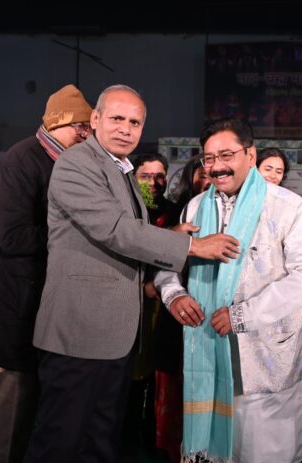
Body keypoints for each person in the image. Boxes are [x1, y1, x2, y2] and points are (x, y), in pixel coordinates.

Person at [24, 84, 241, 463]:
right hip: (79, 333)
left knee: (98, 439)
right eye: (117, 118)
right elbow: (114, 230)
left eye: (135, 122)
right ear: (95, 120)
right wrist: (192, 246)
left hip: (113, 335)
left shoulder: (119, 168)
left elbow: (129, 231)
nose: (126, 129)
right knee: (60, 441)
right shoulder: (76, 164)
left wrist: (171, 236)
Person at [155, 118, 302, 462]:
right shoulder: (196, 207)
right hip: (207, 349)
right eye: (209, 158)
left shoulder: (288, 207)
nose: (216, 166)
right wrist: (173, 295)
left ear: (250, 155)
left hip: (266, 360)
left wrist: (243, 315)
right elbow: (167, 262)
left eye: (226, 155)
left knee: (262, 452)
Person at [0, 84, 92, 463]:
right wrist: (76, 235)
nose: (86, 134)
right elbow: (13, 237)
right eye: (81, 127)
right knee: (14, 422)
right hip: (17, 313)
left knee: (40, 423)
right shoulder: (22, 160)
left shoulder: (62, 162)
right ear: (59, 122)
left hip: (45, 314)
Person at [152, 153, 211, 463]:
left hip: (213, 319)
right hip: (177, 312)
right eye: (201, 174)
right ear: (190, 177)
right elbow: (160, 262)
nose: (207, 180)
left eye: (213, 174)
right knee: (174, 389)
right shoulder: (175, 214)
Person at [121, 152, 180, 460]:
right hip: (126, 303)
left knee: (155, 374)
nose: (154, 182)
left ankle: (151, 436)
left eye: (160, 176)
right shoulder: (125, 209)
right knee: (130, 376)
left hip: (163, 305)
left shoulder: (173, 211)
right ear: (134, 178)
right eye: (146, 176)